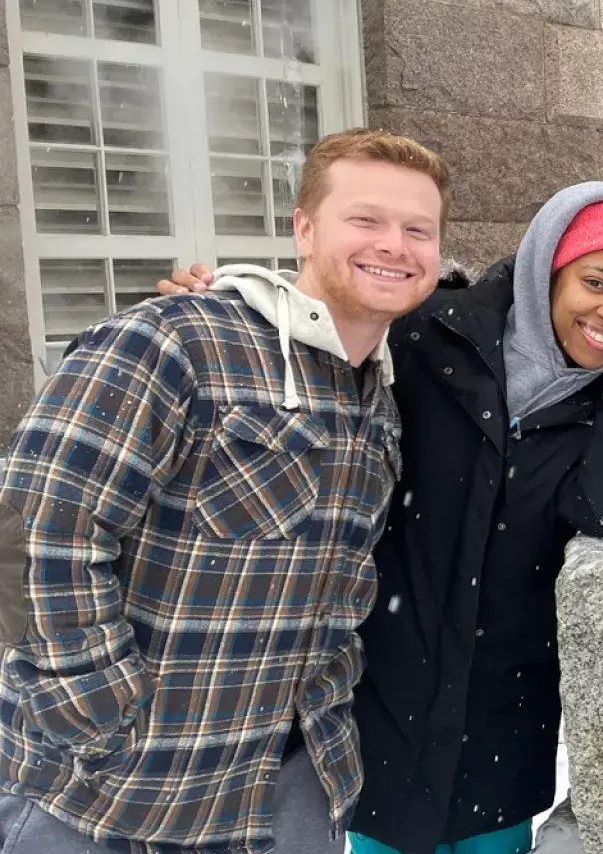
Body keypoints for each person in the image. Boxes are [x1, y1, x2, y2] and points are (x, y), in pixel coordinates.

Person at [155, 182, 603, 854]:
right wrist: (220, 318)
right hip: (384, 701)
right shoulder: (432, 335)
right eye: (595, 282)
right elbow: (319, 341)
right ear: (546, 271)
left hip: (504, 718)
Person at [0, 130, 449, 854]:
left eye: (417, 230)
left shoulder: (379, 398)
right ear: (305, 229)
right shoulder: (174, 342)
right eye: (365, 219)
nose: (394, 245)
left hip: (289, 795)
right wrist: (96, 718)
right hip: (107, 801)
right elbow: (32, 532)